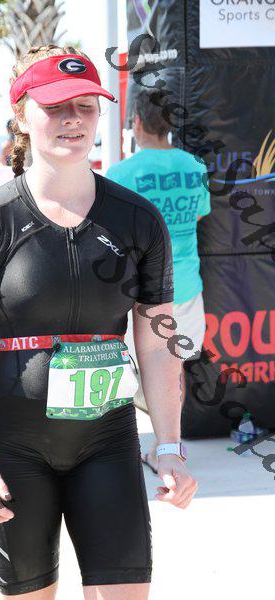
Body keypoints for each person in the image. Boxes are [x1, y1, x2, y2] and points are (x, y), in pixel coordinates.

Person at [0, 44, 198, 600]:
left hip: (107, 441)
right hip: (12, 448)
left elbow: (157, 344)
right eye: (54, 106)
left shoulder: (138, 220)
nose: (72, 118)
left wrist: (169, 445)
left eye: (85, 105)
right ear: (21, 115)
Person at [105, 89, 211, 475]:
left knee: (126, 370)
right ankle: (167, 448)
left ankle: (127, 447)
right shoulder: (194, 166)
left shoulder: (121, 174)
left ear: (136, 122)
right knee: (173, 368)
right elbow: (198, 217)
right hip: (186, 285)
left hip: (137, 292)